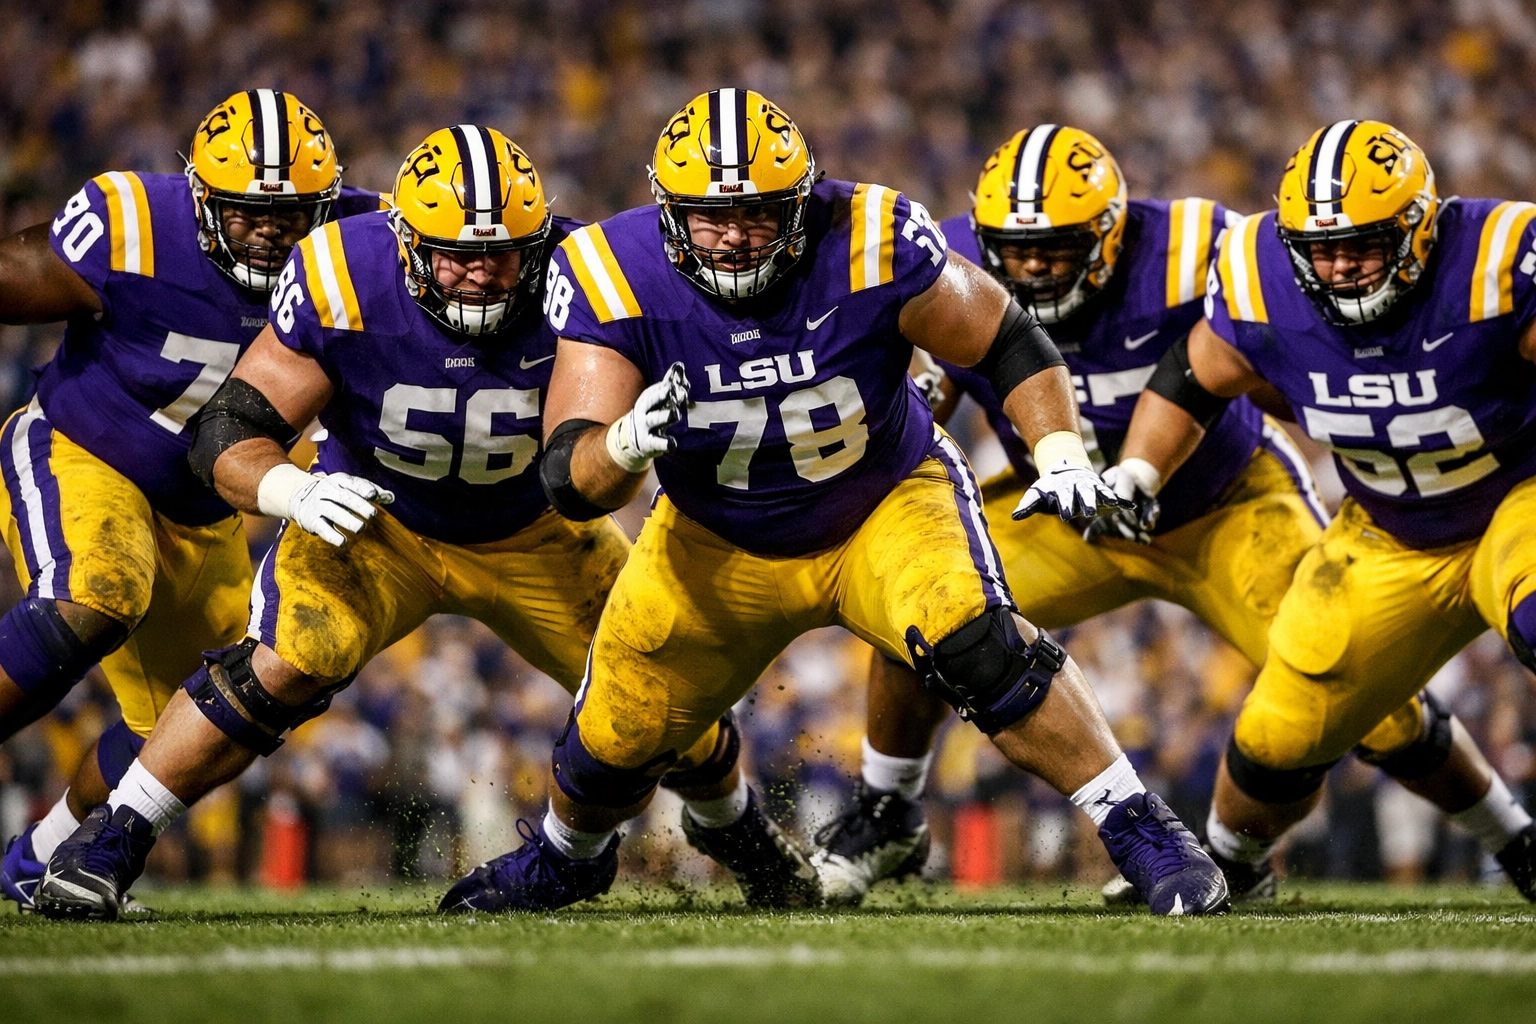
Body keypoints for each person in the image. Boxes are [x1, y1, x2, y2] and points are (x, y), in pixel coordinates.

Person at [440, 89, 1230, 917]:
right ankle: (570, 859)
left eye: (759, 212)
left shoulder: (871, 235)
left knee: (978, 641)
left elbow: (1005, 339)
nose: (737, 236)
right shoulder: (612, 269)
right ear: (669, 209)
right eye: (713, 216)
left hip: (881, 501)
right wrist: (627, 443)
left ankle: (1141, 826)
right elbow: (571, 479)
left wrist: (1061, 451)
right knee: (613, 736)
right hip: (717, 535)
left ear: (803, 200)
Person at [813, 124, 1535, 907]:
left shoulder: (1199, 248)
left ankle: (1509, 836)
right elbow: (931, 378)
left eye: (1056, 247)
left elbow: (1242, 366)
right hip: (1069, 515)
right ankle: (887, 806)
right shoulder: (945, 258)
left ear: (1111, 231)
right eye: (1014, 249)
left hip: (1224, 507)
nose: (1031, 266)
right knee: (928, 605)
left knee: (1370, 712)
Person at [35, 127, 644, 920]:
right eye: (455, 254)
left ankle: (730, 829)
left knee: (661, 686)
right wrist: (290, 488)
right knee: (284, 660)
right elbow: (226, 433)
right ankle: (111, 839)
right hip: (378, 516)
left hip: (537, 526)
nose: (482, 274)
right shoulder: (342, 270)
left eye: (503, 254)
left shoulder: (583, 275)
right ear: (405, 240)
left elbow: (586, 469)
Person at [1105, 120, 1536, 900]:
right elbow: (1195, 373)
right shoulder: (1260, 272)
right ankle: (1232, 865)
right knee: (1277, 739)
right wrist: (1138, 468)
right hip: (1387, 533)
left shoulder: (1498, 260)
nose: (1338, 266)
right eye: (1322, 249)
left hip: (1517, 497)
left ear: (1421, 229)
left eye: (1363, 246)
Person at [0, 90, 378, 912]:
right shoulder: (135, 223)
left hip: (204, 508)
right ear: (201, 195)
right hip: (85, 449)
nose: (270, 229)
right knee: (97, 594)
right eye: (245, 210)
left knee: (205, 717)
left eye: (290, 212)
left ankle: (44, 853)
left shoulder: (366, 241)